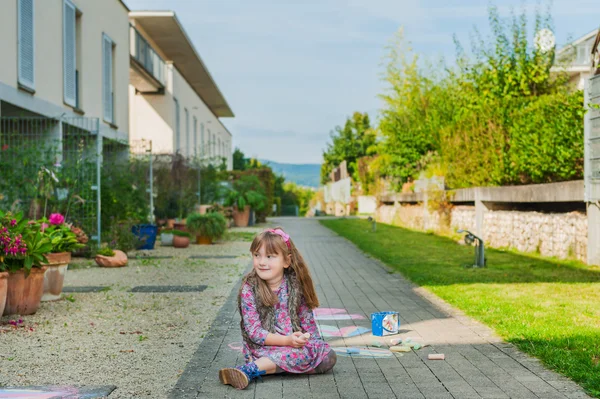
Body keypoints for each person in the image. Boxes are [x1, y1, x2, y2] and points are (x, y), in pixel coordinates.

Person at [219, 227, 337, 390]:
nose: (261, 262)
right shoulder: (249, 288)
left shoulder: (295, 286)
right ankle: (248, 370)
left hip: (293, 345)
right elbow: (254, 332)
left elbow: (307, 322)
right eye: (257, 255)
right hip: (263, 347)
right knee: (295, 355)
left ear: (286, 261)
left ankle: (270, 368)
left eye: (269, 256)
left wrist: (307, 340)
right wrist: (286, 341)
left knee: (328, 356)